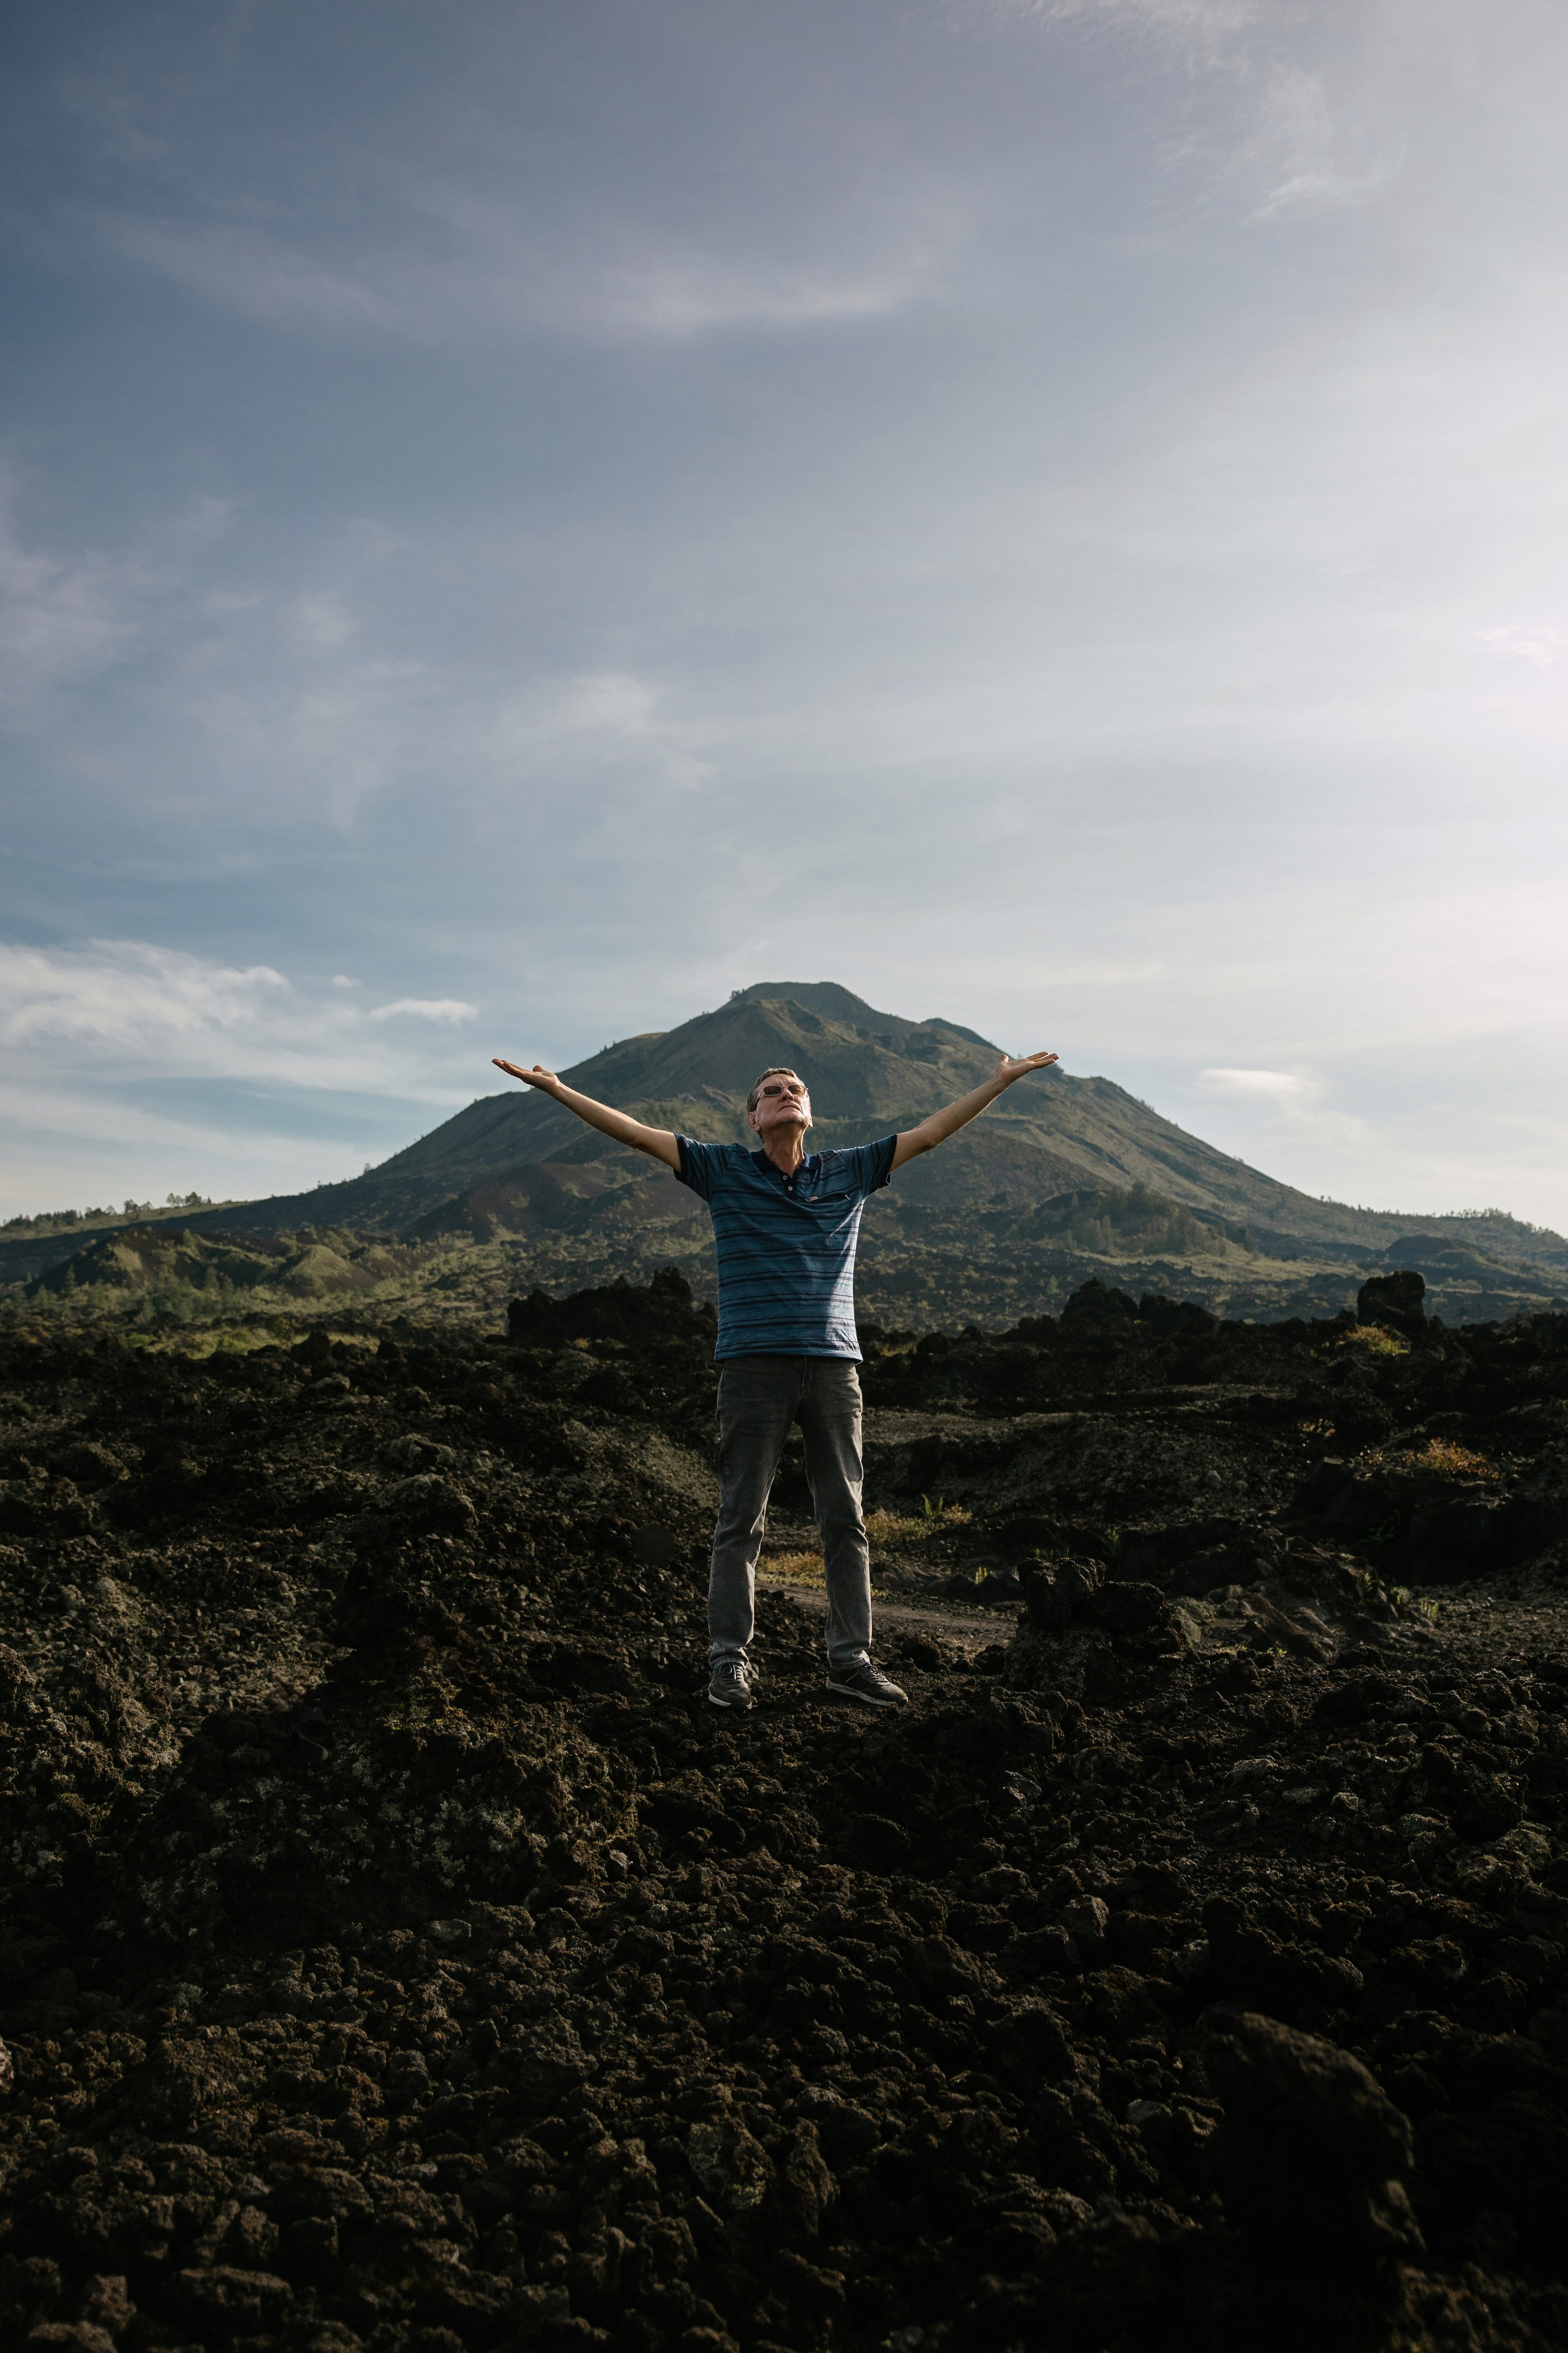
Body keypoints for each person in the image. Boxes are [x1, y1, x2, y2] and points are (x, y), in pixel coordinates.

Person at [492, 1041, 1059, 1712]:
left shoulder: (850, 1169)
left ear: (809, 1112)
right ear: (754, 1120)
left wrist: (998, 1082)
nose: (786, 1093)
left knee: (844, 1517)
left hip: (833, 1366)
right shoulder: (721, 1169)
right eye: (771, 1092)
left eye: (795, 1088)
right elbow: (635, 1133)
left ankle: (851, 1661)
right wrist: (558, 1089)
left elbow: (932, 1133)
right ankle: (729, 1662)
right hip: (752, 1365)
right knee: (741, 1518)